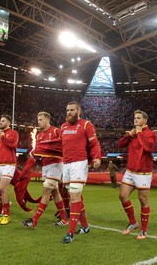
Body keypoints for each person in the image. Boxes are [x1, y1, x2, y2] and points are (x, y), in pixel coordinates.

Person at [60, 101, 101, 243]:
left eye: (72, 110)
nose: (69, 112)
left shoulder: (86, 124)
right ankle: (85, 226)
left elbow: (94, 143)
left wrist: (96, 158)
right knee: (74, 196)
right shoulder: (63, 127)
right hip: (66, 164)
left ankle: (70, 233)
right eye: (67, 110)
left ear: (79, 111)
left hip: (79, 163)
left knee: (74, 197)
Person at [21, 112, 68, 228]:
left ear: (47, 120)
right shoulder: (39, 135)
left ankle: (34, 220)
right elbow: (39, 152)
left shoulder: (56, 131)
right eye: (38, 119)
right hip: (46, 165)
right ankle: (64, 219)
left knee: (46, 190)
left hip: (56, 164)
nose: (39, 122)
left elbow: (66, 143)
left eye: (41, 119)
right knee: (55, 192)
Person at [117, 110, 157, 239]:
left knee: (142, 200)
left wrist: (139, 133)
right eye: (135, 118)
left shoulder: (151, 134)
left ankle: (144, 230)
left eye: (138, 118)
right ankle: (133, 223)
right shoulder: (132, 134)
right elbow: (120, 144)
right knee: (123, 196)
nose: (136, 120)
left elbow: (148, 148)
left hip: (143, 172)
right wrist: (129, 134)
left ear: (145, 120)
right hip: (130, 171)